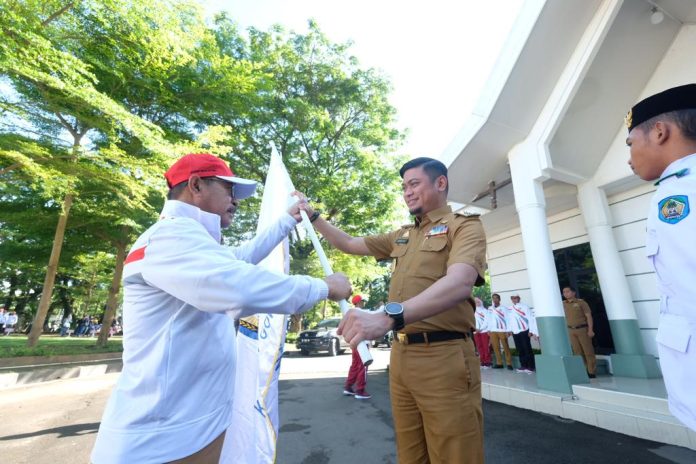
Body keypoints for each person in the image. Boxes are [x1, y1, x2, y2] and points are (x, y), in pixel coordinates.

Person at [91, 153, 351, 464]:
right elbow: (238, 287)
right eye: (228, 189)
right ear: (196, 185)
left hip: (183, 430)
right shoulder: (171, 237)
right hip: (163, 441)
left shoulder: (187, 239)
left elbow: (238, 260)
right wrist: (323, 287)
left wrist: (286, 220)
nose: (235, 201)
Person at [306, 157, 487, 464]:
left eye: (414, 184)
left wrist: (388, 317)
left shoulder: (464, 226)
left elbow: (460, 283)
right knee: (410, 454)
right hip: (402, 357)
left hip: (444, 356)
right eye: (404, 187)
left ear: (440, 183)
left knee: (455, 455)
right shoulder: (401, 235)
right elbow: (349, 243)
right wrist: (313, 217)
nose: (407, 192)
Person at [625, 83, 696, 431]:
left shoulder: (685, 191)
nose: (629, 157)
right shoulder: (677, 187)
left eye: (630, 143)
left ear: (659, 131)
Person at [561, 286, 596, 378]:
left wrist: (590, 330)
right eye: (564, 292)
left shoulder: (581, 303)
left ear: (573, 293)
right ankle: (583, 370)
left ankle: (591, 371)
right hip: (571, 330)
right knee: (577, 352)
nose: (565, 293)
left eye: (567, 291)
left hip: (582, 329)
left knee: (588, 351)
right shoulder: (563, 304)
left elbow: (588, 316)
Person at [343, 294, 371, 400]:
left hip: (355, 343)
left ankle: (348, 387)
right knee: (363, 366)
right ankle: (360, 390)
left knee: (355, 365)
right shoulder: (363, 313)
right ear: (359, 302)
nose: (364, 303)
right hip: (362, 344)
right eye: (362, 301)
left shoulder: (350, 314)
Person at [508, 294, 536, 373]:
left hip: (524, 330)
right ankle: (523, 365)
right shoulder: (510, 308)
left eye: (515, 298)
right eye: (512, 298)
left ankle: (531, 366)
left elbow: (530, 318)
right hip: (515, 332)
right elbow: (510, 320)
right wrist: (510, 330)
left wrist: (531, 330)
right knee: (520, 349)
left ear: (519, 298)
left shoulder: (525, 307)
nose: (514, 299)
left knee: (527, 348)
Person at [488, 293, 513, 370]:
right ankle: (499, 363)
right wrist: (488, 329)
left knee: (505, 347)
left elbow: (508, 319)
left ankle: (509, 363)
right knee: (496, 347)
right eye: (493, 298)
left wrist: (508, 330)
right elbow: (488, 319)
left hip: (502, 330)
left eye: (496, 298)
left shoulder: (504, 308)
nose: (495, 300)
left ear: (499, 299)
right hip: (493, 331)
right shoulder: (490, 308)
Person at [473, 297, 492, 368]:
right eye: (475, 302)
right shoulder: (473, 311)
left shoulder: (485, 311)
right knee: (479, 347)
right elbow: (472, 321)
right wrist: (475, 329)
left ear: (481, 302)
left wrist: (480, 329)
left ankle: (488, 362)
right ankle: (482, 361)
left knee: (485, 346)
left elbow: (487, 321)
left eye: (478, 302)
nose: (477, 303)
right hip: (475, 332)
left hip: (484, 331)